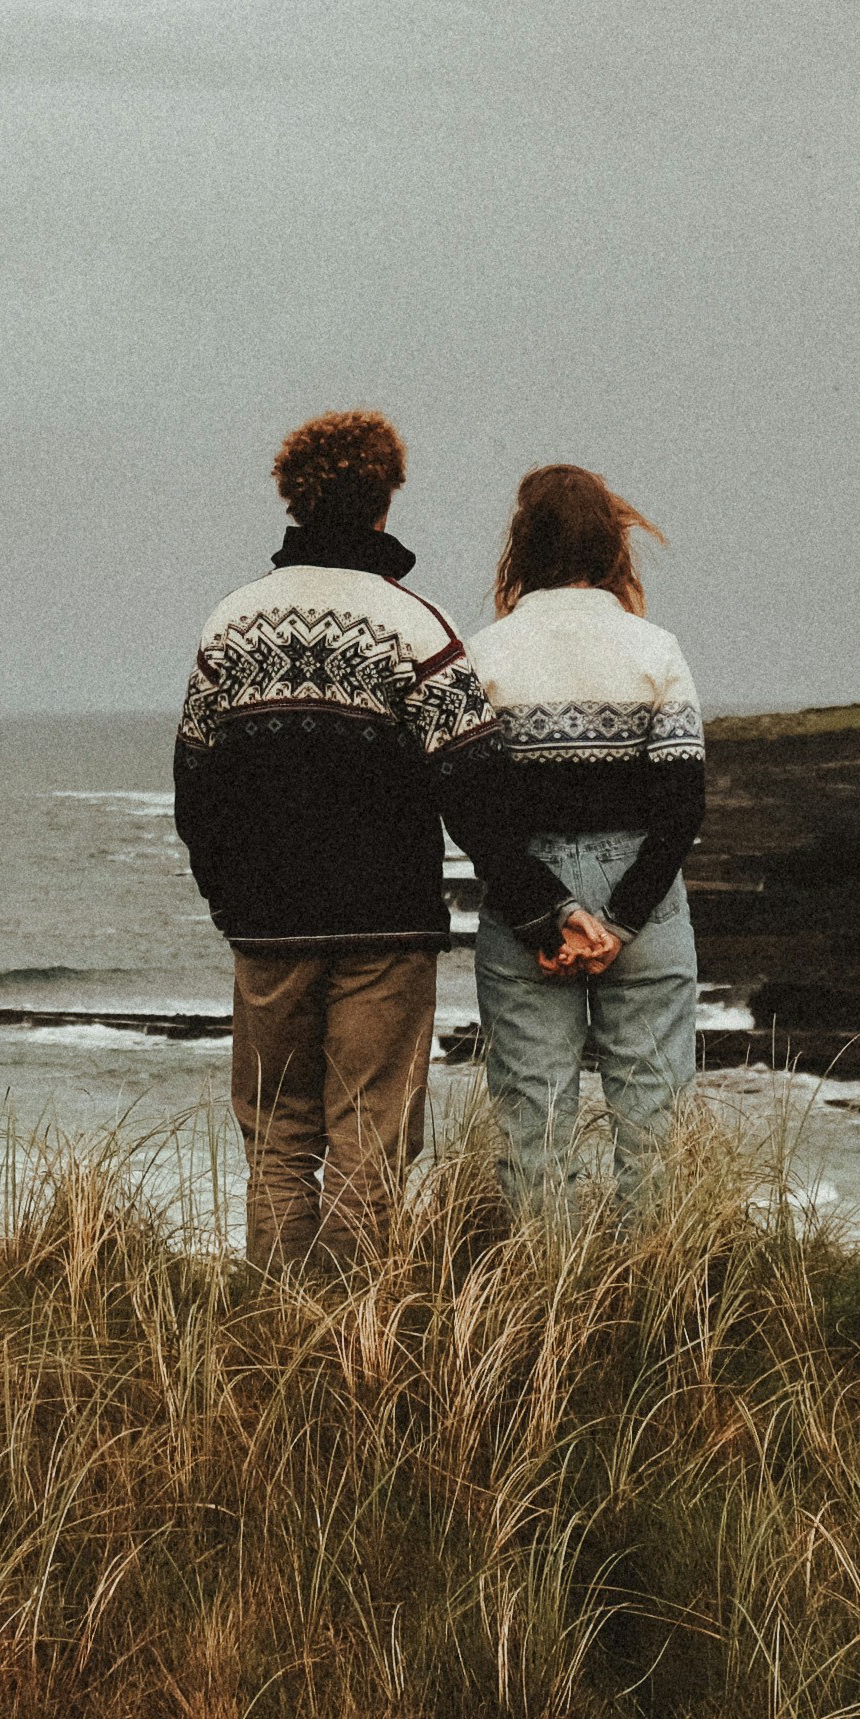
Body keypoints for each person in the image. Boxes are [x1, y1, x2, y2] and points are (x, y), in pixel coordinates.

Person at [171, 408, 591, 1268]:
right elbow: (476, 794)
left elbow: (195, 788)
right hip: (386, 929)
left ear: (293, 496)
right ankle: (354, 1326)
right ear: (385, 499)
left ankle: (274, 1326)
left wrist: (229, 901)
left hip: (267, 928)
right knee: (371, 1142)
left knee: (278, 1141)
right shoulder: (416, 627)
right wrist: (544, 911)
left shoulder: (230, 626)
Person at [469, 464, 707, 1216]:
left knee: (533, 1119)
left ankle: (548, 1286)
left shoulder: (483, 655)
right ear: (612, 545)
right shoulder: (655, 649)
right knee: (654, 1117)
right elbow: (682, 809)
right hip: (641, 885)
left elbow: (472, 811)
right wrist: (621, 920)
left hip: (526, 893)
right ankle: (656, 1284)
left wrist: (552, 914)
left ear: (521, 546)